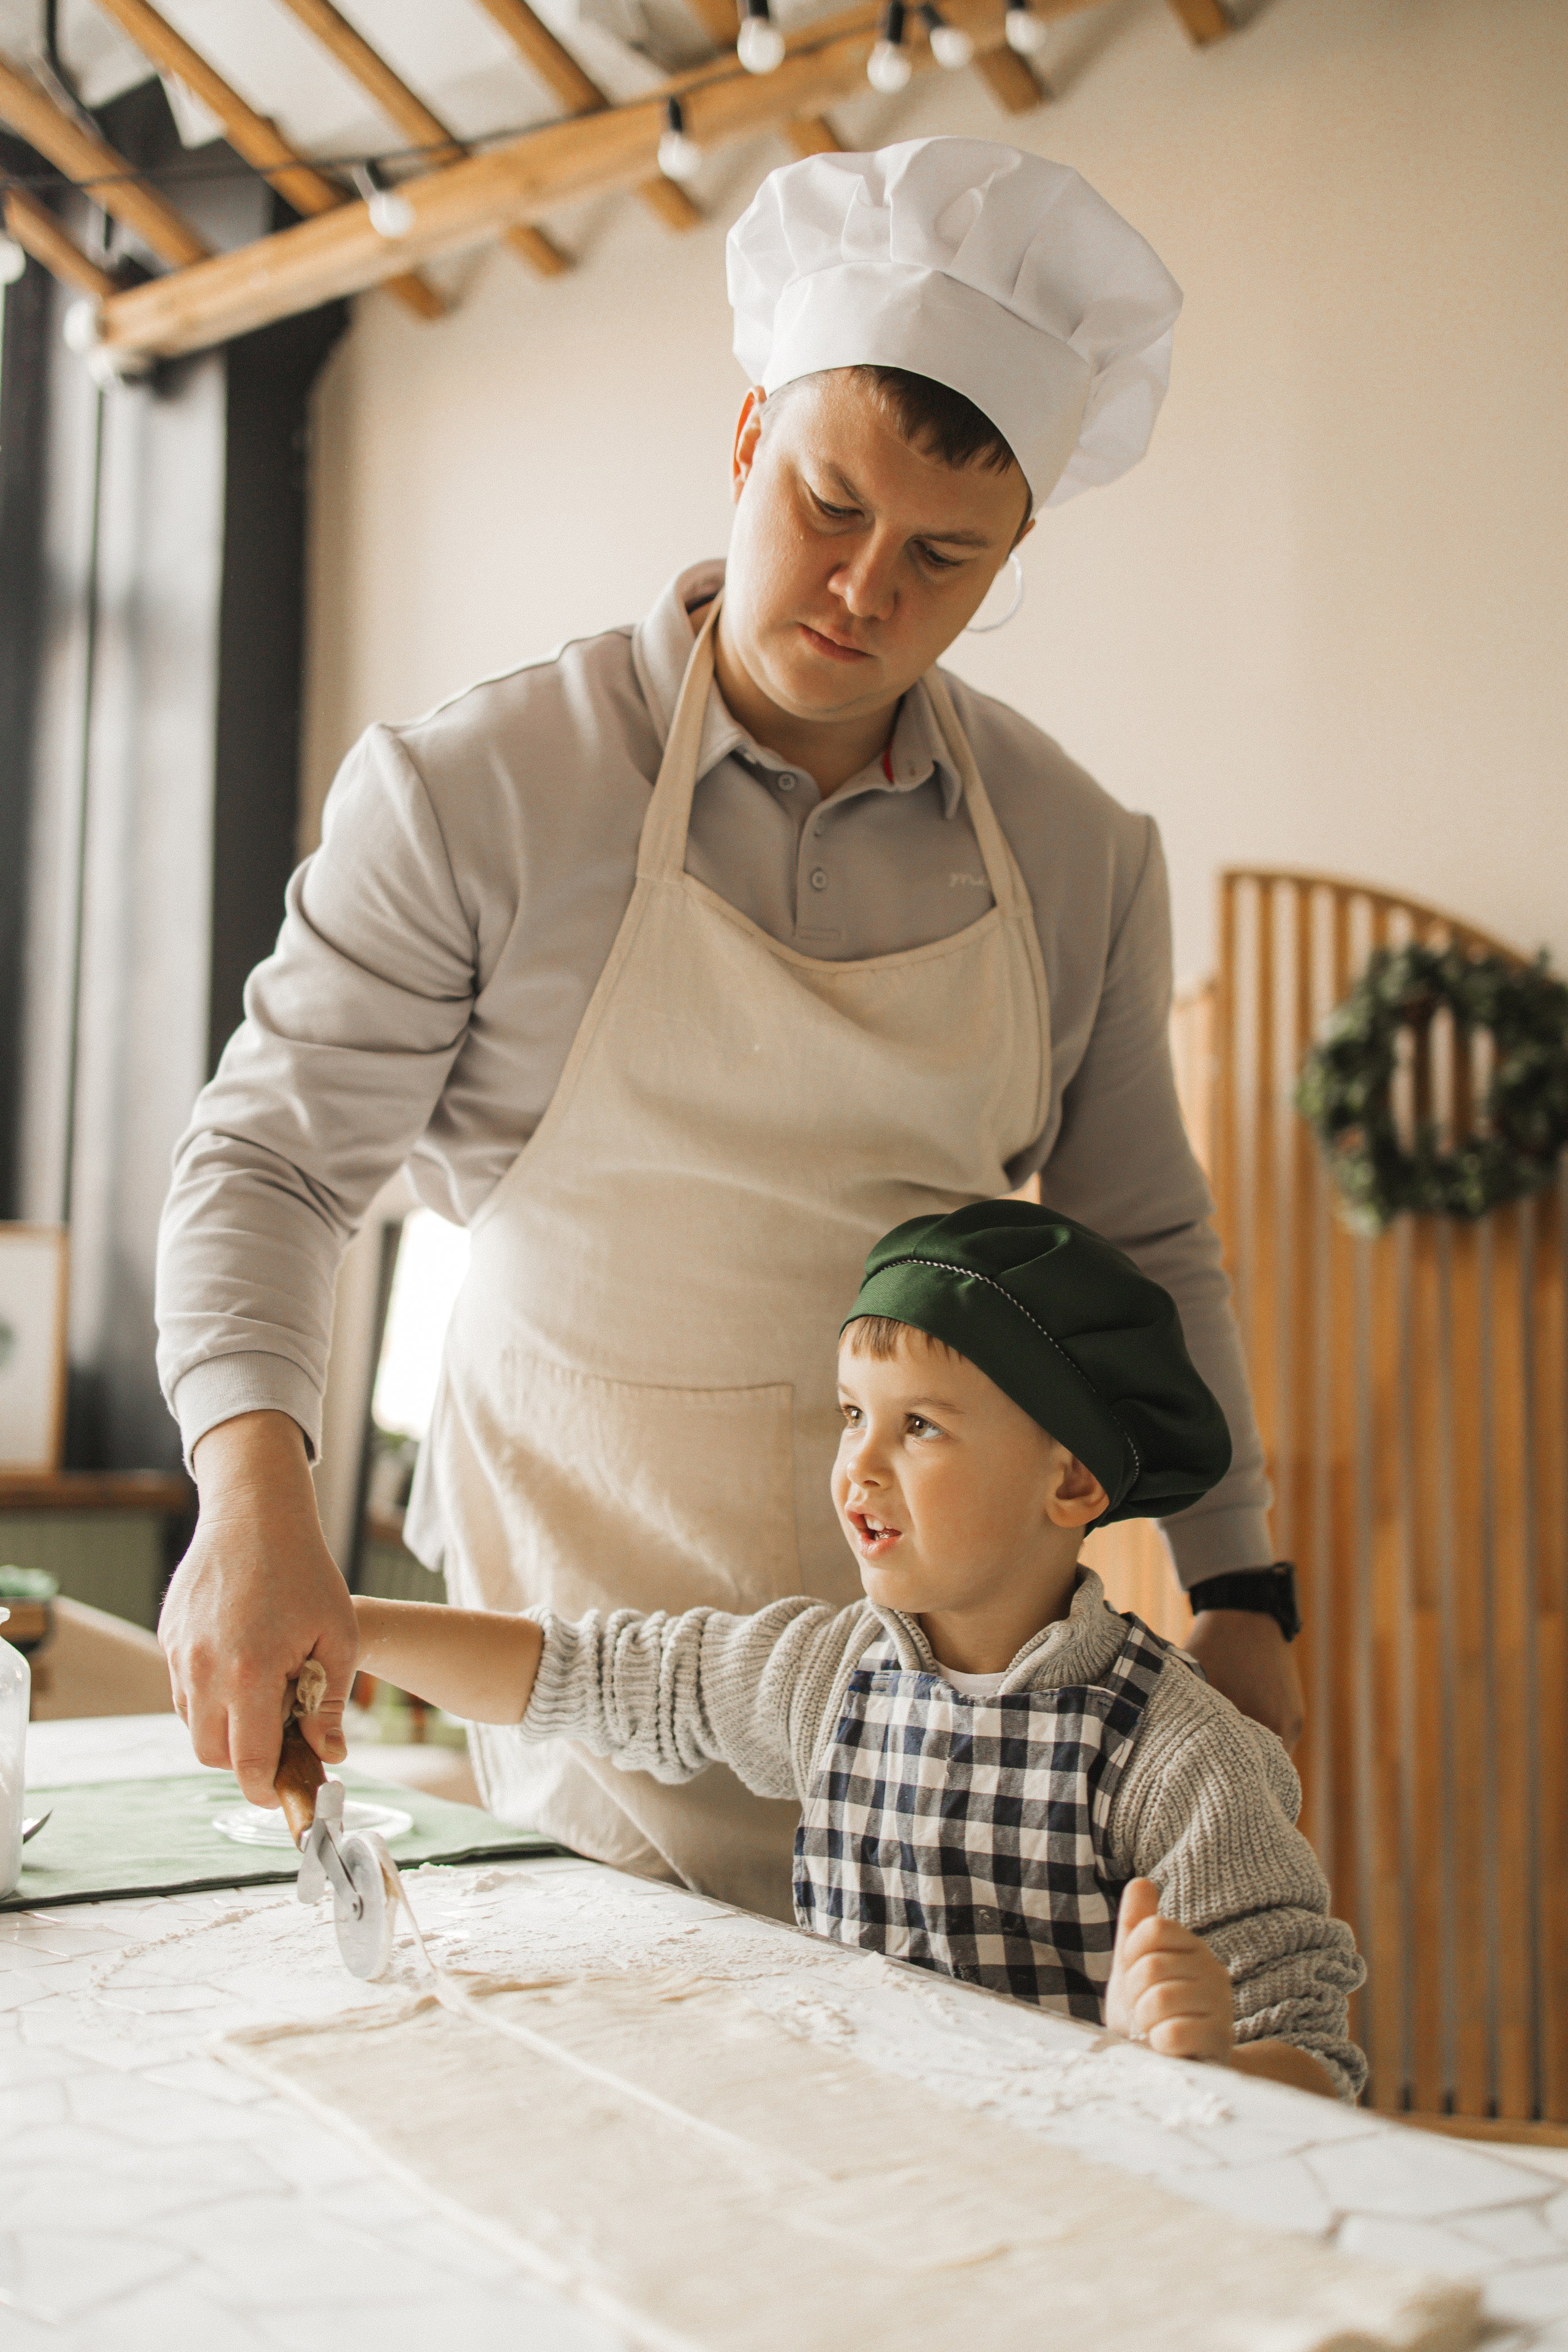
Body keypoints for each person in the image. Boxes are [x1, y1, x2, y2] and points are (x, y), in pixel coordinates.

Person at [156, 137, 1304, 1924]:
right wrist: (254, 1494)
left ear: (1012, 557)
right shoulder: (481, 794)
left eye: (945, 557)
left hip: (938, 1734)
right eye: (832, 508)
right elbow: (274, 1162)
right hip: (573, 1694)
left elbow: (1149, 1241)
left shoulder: (1079, 857)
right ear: (751, 436)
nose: (866, 596)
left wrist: (1247, 1594)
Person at [346, 1205, 1365, 2099]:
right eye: (850, 1416)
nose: (857, 1467)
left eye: (917, 1425)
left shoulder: (1180, 1758)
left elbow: (1316, 2054)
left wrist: (1213, 2061)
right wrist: (350, 1630)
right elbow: (590, 1673)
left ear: (1070, 1484)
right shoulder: (824, 1676)